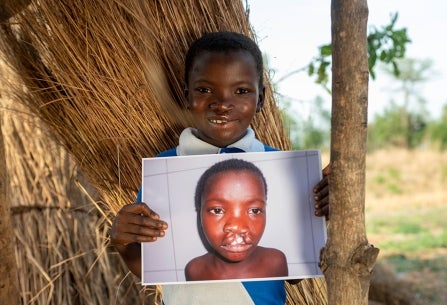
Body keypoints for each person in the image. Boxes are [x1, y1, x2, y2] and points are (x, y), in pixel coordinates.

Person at [110, 31, 329, 305]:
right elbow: (153, 267)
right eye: (204, 90)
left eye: (241, 91)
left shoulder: (282, 169)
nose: (223, 104)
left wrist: (321, 215)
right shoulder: (164, 170)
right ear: (187, 95)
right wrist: (123, 242)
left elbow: (294, 273)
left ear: (260, 98)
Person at [185, 158, 288, 281]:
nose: (238, 227)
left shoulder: (276, 262)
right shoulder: (195, 270)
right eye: (217, 210)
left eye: (254, 211)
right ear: (200, 215)